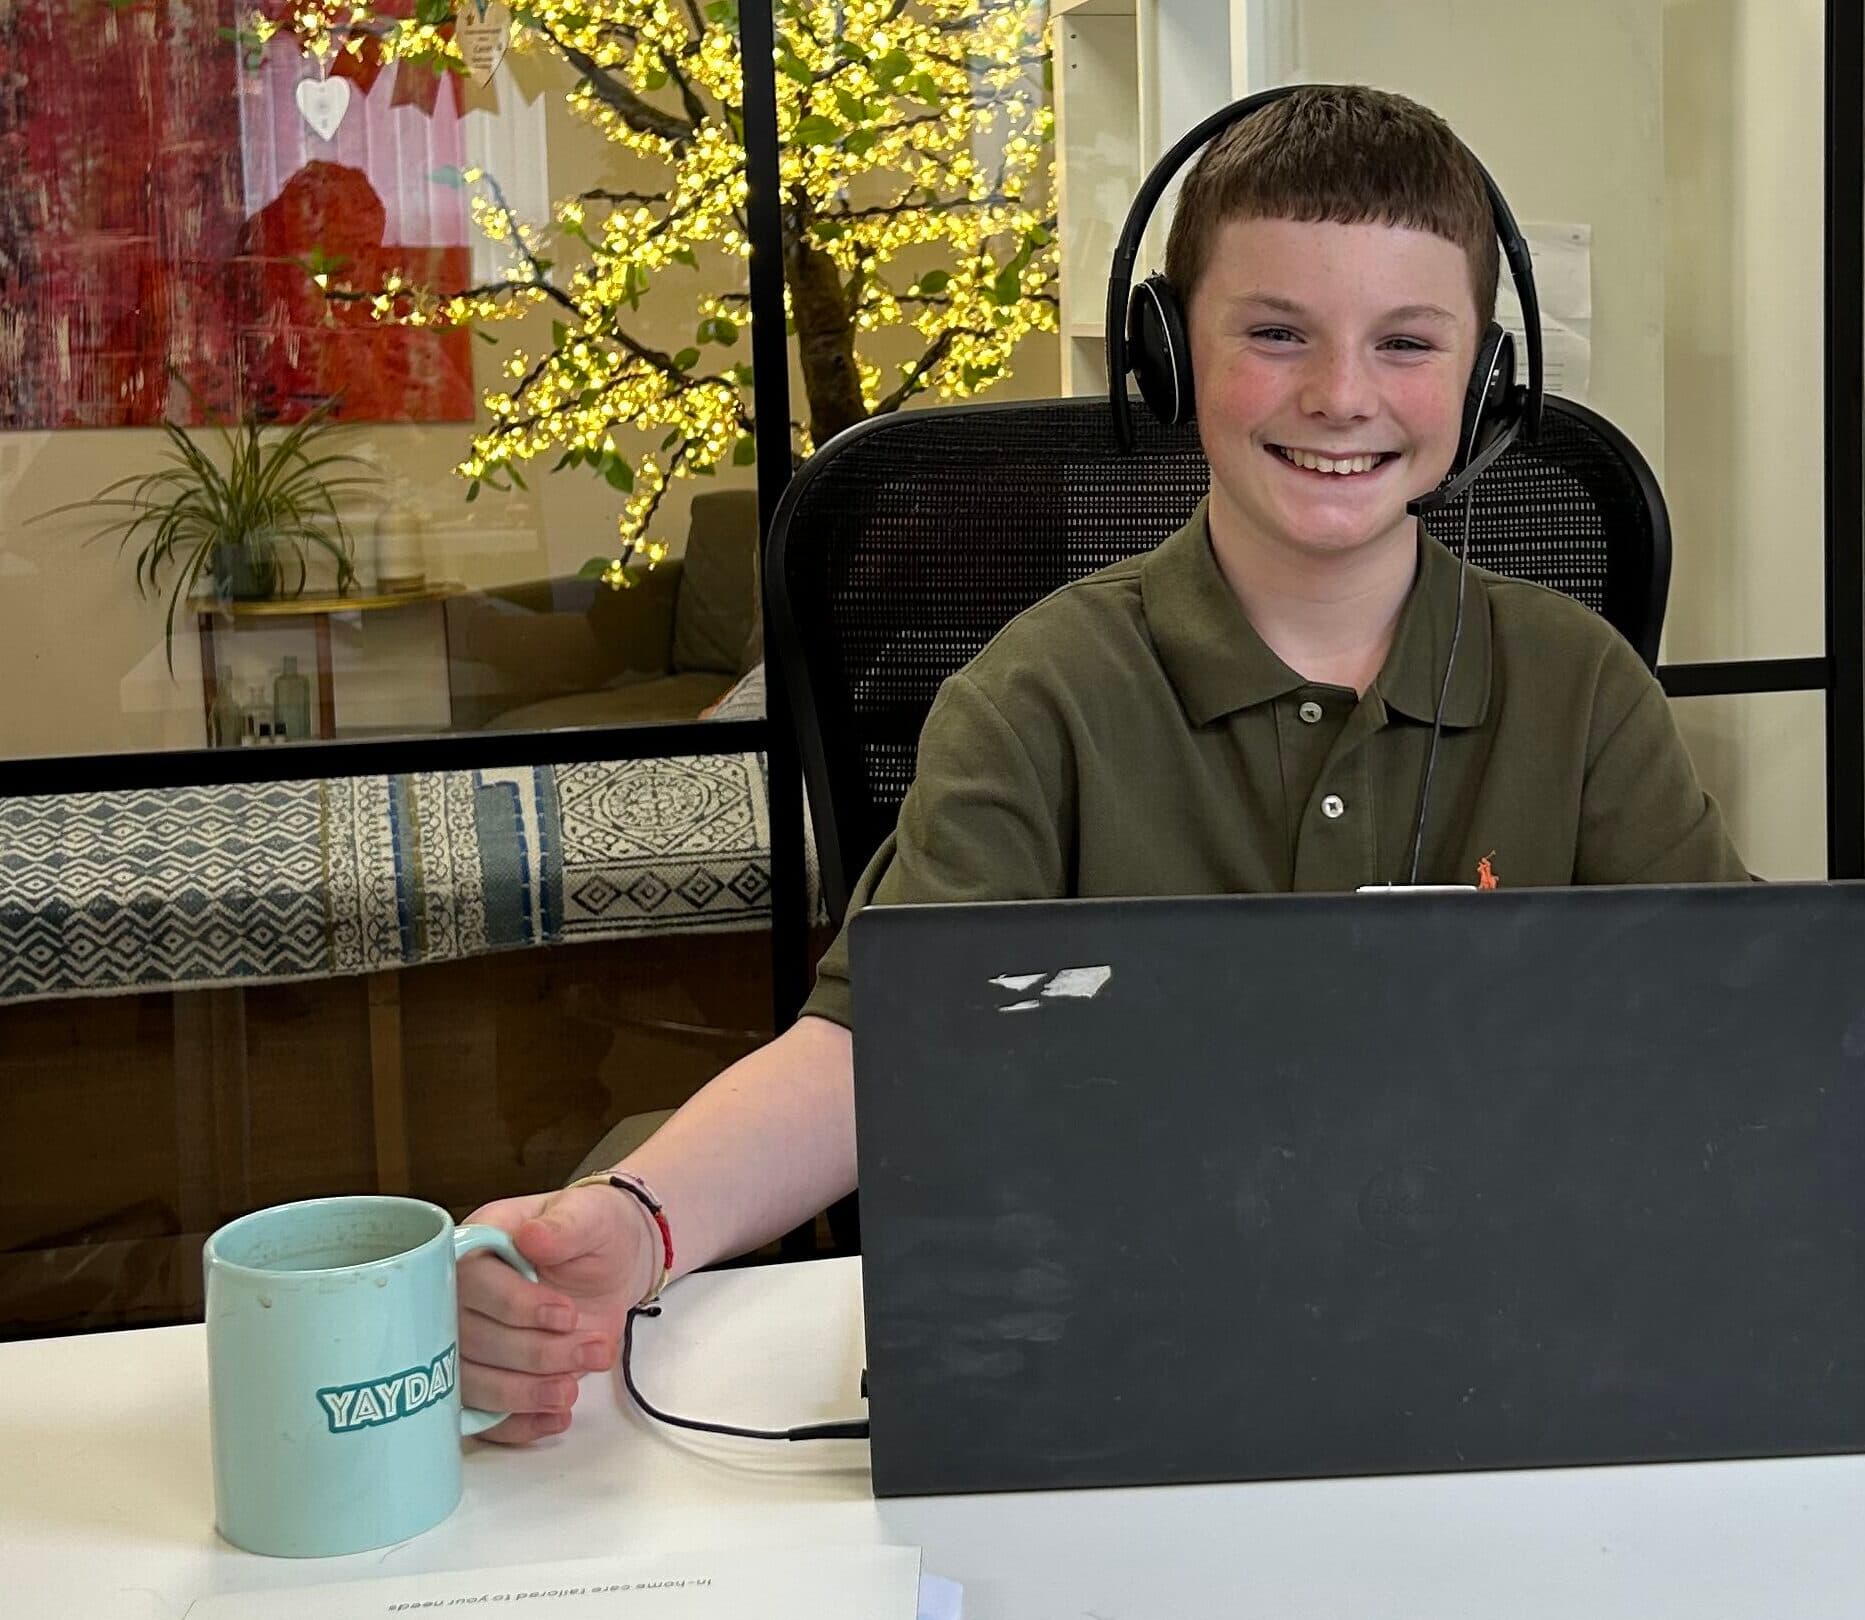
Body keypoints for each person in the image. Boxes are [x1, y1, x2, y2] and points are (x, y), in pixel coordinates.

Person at [454, 85, 1751, 1444]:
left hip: (1493, 1348)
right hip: (1121, 1361)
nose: (1340, 395)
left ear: (1486, 379)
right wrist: (636, 1221)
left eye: (1407, 342)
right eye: (1273, 333)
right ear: (1166, 358)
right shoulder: (1040, 694)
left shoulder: (1576, 683)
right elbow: (879, 1046)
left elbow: (1736, 1025)